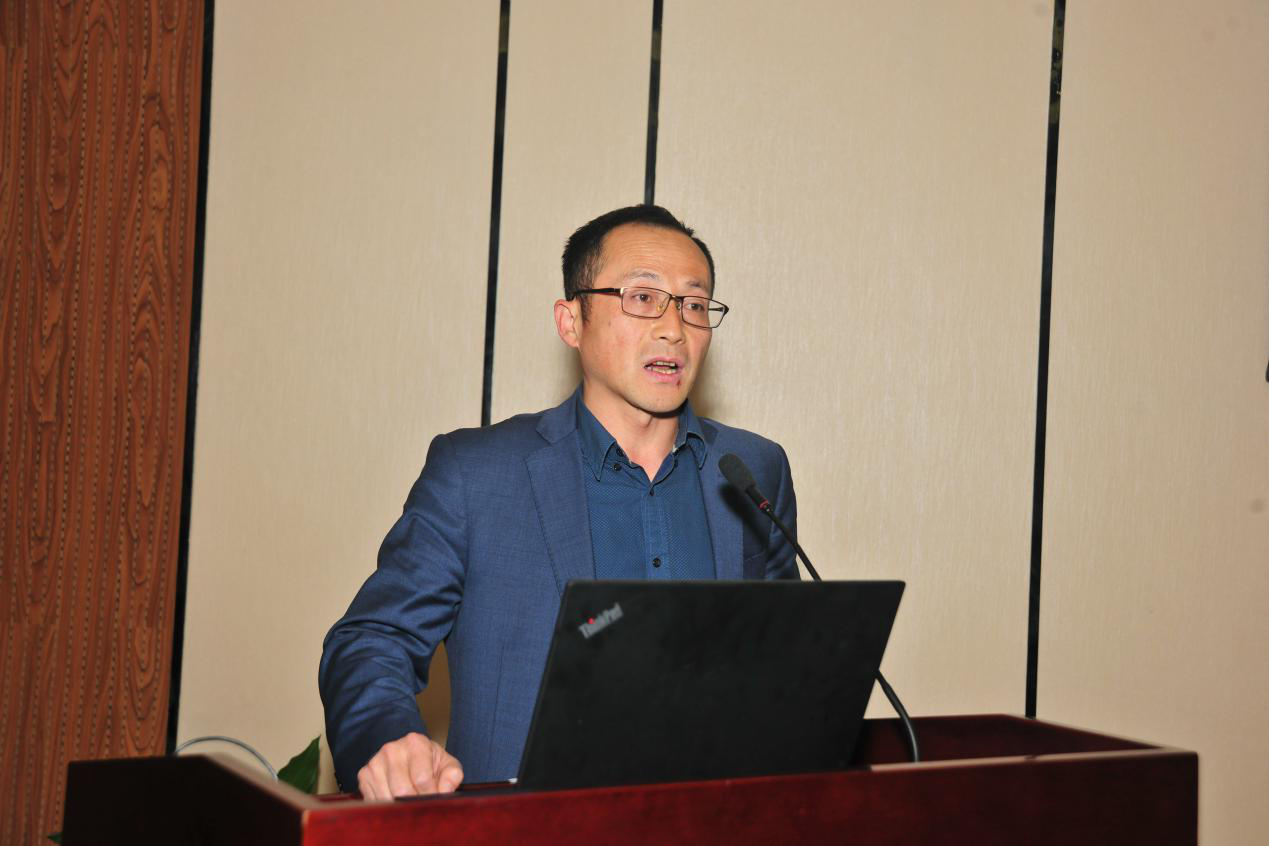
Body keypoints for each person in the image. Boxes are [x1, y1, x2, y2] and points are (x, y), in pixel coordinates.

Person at [319, 205, 799, 799]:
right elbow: (372, 640)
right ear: (571, 321)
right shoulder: (477, 474)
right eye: (643, 298)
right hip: (523, 828)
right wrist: (388, 739)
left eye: (694, 305)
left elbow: (782, 663)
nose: (674, 328)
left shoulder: (755, 470)